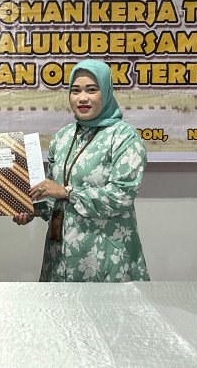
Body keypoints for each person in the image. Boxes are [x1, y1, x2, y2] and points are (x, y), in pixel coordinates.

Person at [14, 59, 149, 282]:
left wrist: (67, 192)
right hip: (59, 256)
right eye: (75, 90)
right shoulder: (63, 136)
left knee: (106, 305)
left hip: (105, 255)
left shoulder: (124, 137)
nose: (82, 98)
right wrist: (33, 209)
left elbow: (121, 196)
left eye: (91, 90)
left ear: (106, 92)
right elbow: (51, 193)